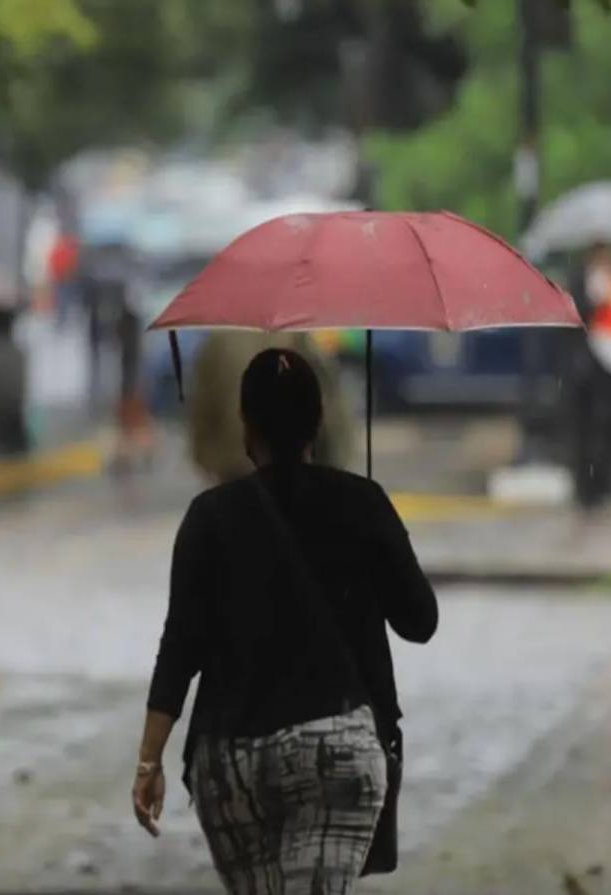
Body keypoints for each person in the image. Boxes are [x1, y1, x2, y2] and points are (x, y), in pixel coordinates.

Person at [134, 348, 438, 894]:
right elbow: (420, 621)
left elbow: (179, 649)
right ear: (318, 423)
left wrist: (148, 761)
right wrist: (377, 537)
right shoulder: (360, 501)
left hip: (230, 768)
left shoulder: (210, 517)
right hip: (335, 752)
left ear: (247, 427)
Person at [187, 331, 354, 483]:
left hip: (237, 465)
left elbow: (202, 408)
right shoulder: (301, 338)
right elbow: (330, 404)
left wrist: (206, 457)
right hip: (298, 468)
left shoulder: (219, 341)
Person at [571, 243, 611, 509]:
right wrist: (595, 297)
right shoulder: (583, 280)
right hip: (593, 364)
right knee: (591, 426)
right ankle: (589, 487)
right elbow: (577, 316)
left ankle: (602, 478)